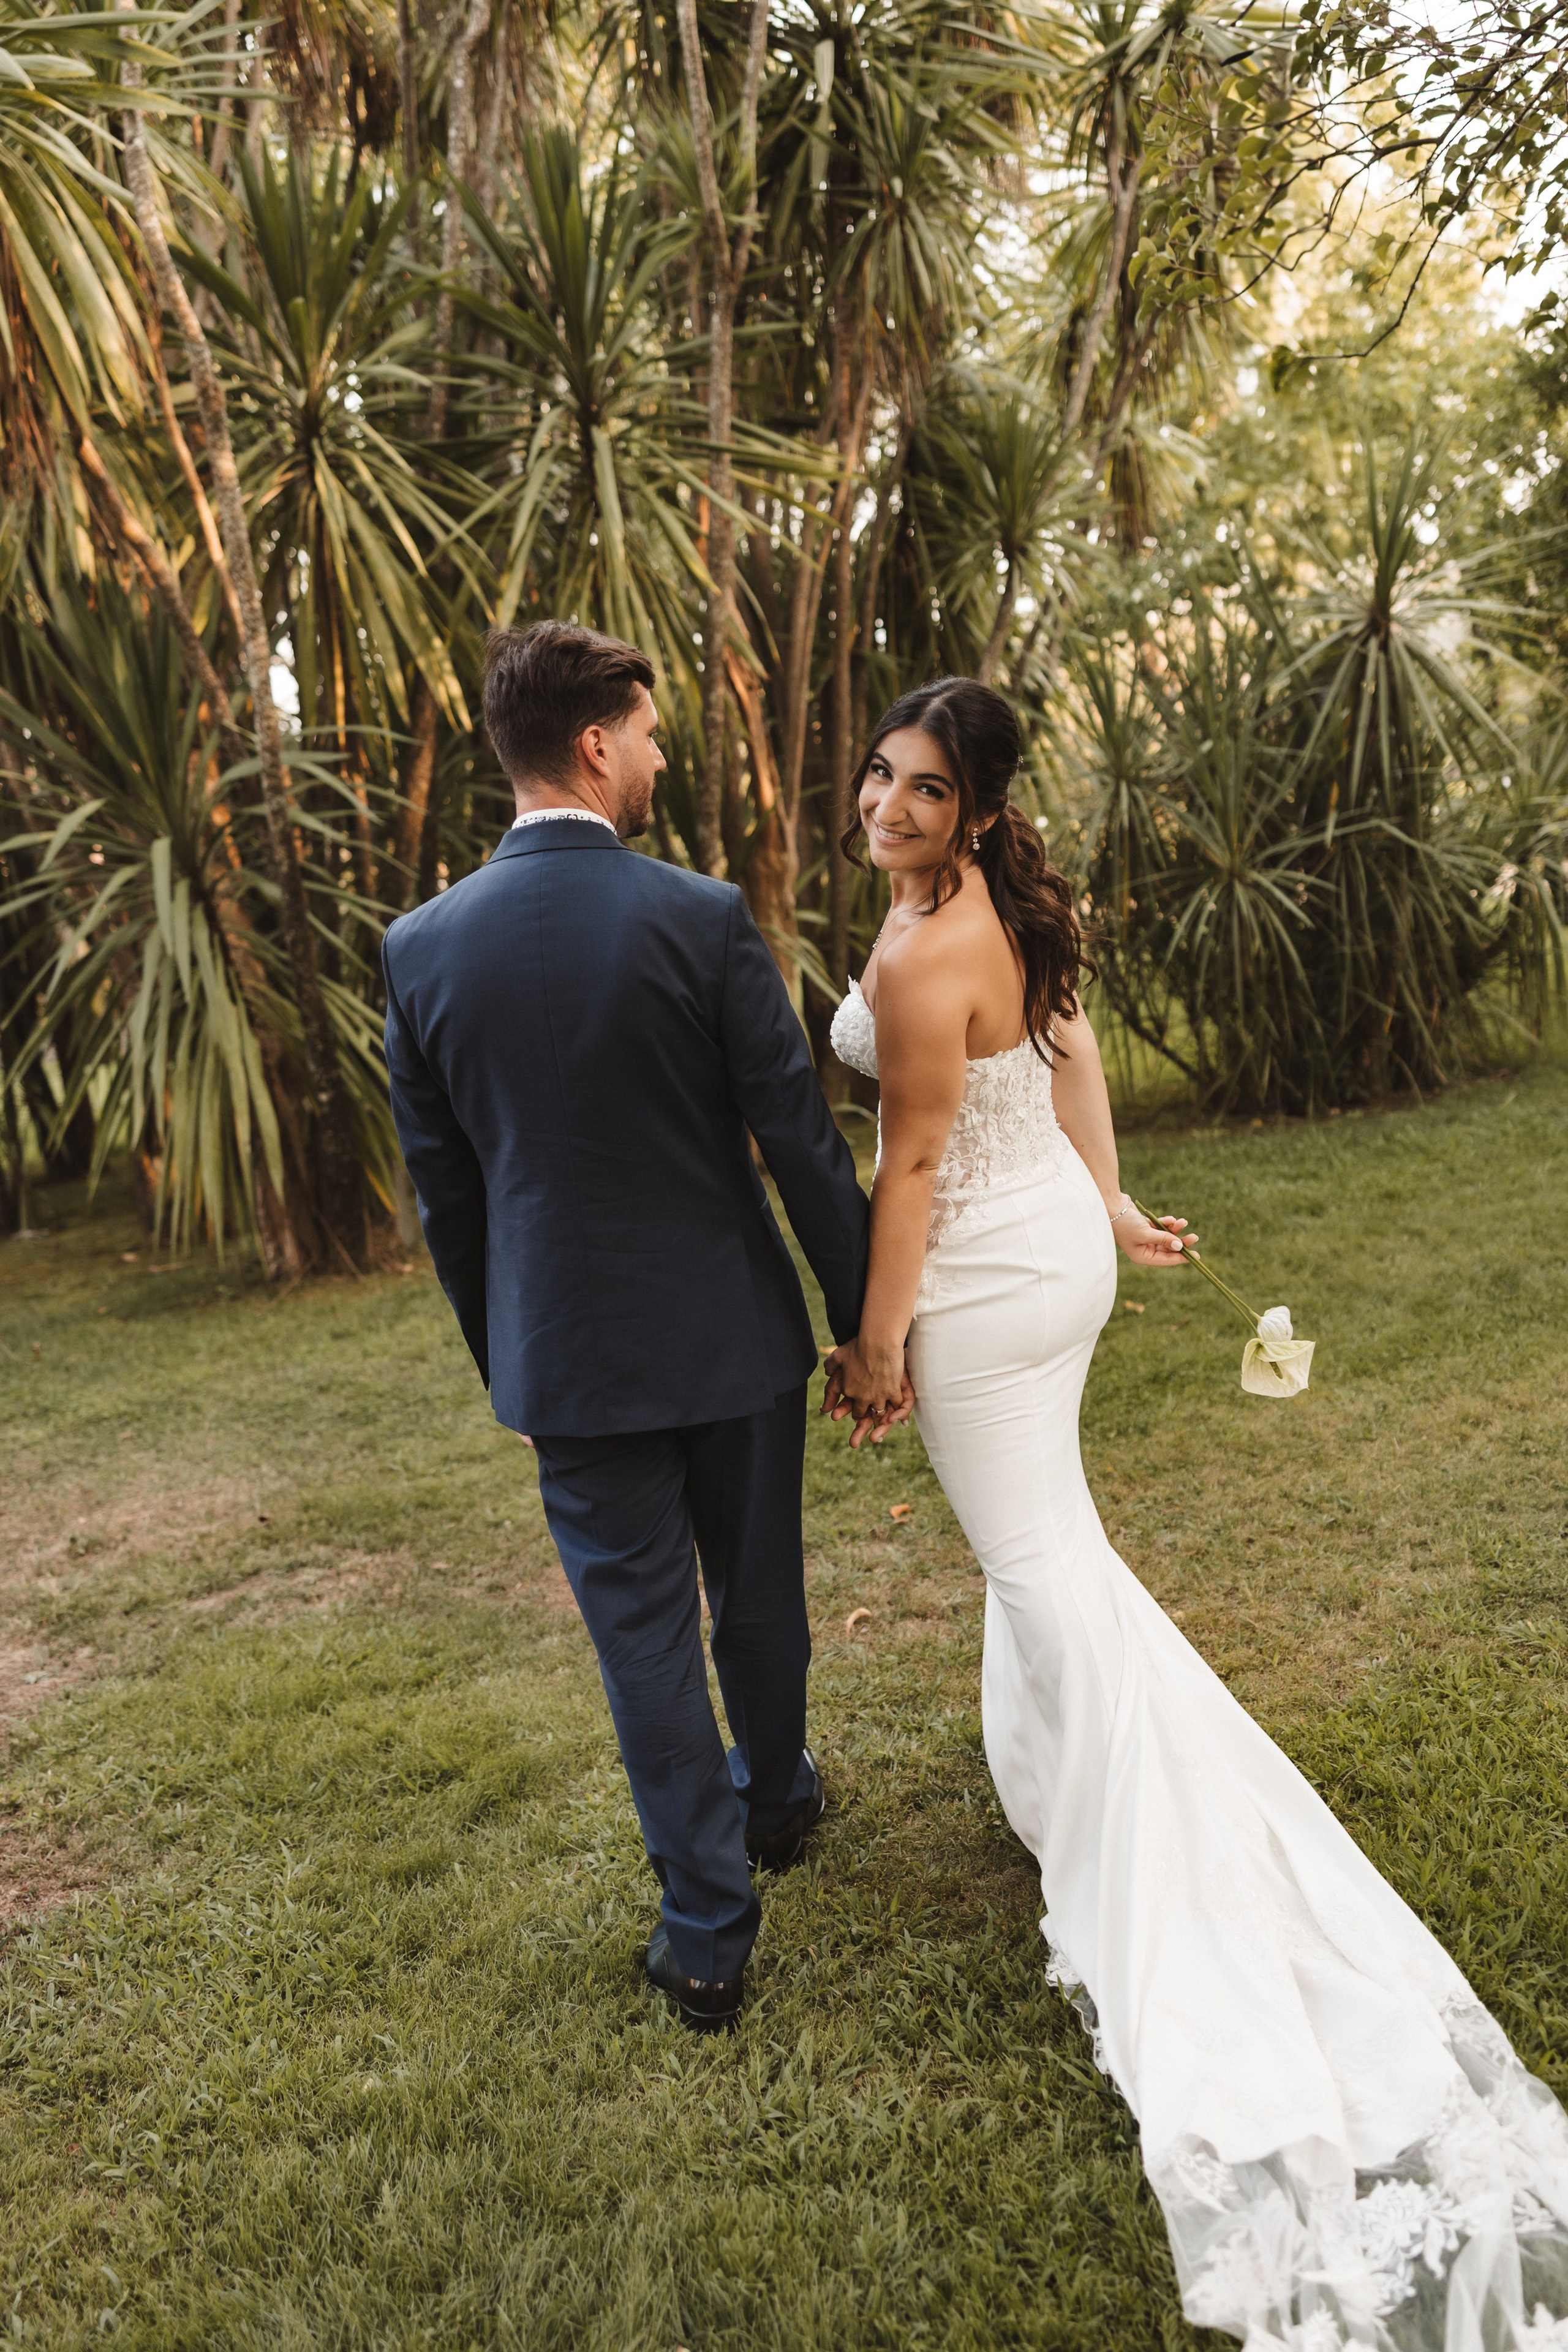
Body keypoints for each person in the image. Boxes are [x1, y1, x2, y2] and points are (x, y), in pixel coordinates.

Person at [823, 676, 1568, 2352]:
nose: (887, 806)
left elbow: (916, 1167)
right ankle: (1050, 1786)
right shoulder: (993, 915)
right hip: (1056, 1254)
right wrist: (1108, 1204)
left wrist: (877, 1345)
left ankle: (1135, 1849)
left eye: (924, 790)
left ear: (982, 812)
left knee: (1037, 1566)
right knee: (1051, 1557)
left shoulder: (912, 952)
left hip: (987, 1282)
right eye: (879, 776)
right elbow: (1068, 1048)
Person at [382, 620, 872, 2035]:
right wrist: (860, 1323)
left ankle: (707, 1937)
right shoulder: (698, 915)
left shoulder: (419, 949)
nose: (659, 754)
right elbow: (795, 1139)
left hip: (569, 1363)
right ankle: (774, 1801)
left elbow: (450, 1201)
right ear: (594, 743)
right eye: (648, 732)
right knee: (757, 1593)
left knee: (643, 1643)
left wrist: (511, 1366)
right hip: (731, 1337)